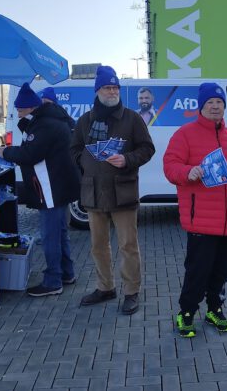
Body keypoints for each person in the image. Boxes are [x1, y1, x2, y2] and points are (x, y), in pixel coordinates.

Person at [163, 82, 227, 337]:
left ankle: (215, 309)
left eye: (219, 103)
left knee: (221, 270)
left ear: (224, 106)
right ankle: (187, 313)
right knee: (197, 270)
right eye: (210, 103)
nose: (215, 106)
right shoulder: (185, 134)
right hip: (201, 218)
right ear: (201, 106)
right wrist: (187, 172)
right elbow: (170, 165)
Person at [70, 65, 155, 315]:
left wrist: (127, 159)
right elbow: (74, 150)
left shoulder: (132, 118)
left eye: (115, 87)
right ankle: (105, 287)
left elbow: (147, 149)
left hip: (123, 191)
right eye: (107, 87)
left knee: (128, 245)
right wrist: (87, 161)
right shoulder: (85, 121)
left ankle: (131, 292)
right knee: (98, 245)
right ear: (97, 91)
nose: (112, 91)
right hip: (94, 192)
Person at [0, 82, 80, 297]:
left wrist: (4, 153)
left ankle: (53, 280)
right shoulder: (52, 120)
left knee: (51, 234)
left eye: (20, 109)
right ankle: (66, 273)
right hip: (59, 185)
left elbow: (29, 154)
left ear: (31, 108)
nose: (17, 113)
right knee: (60, 232)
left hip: (50, 187)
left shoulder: (44, 124)